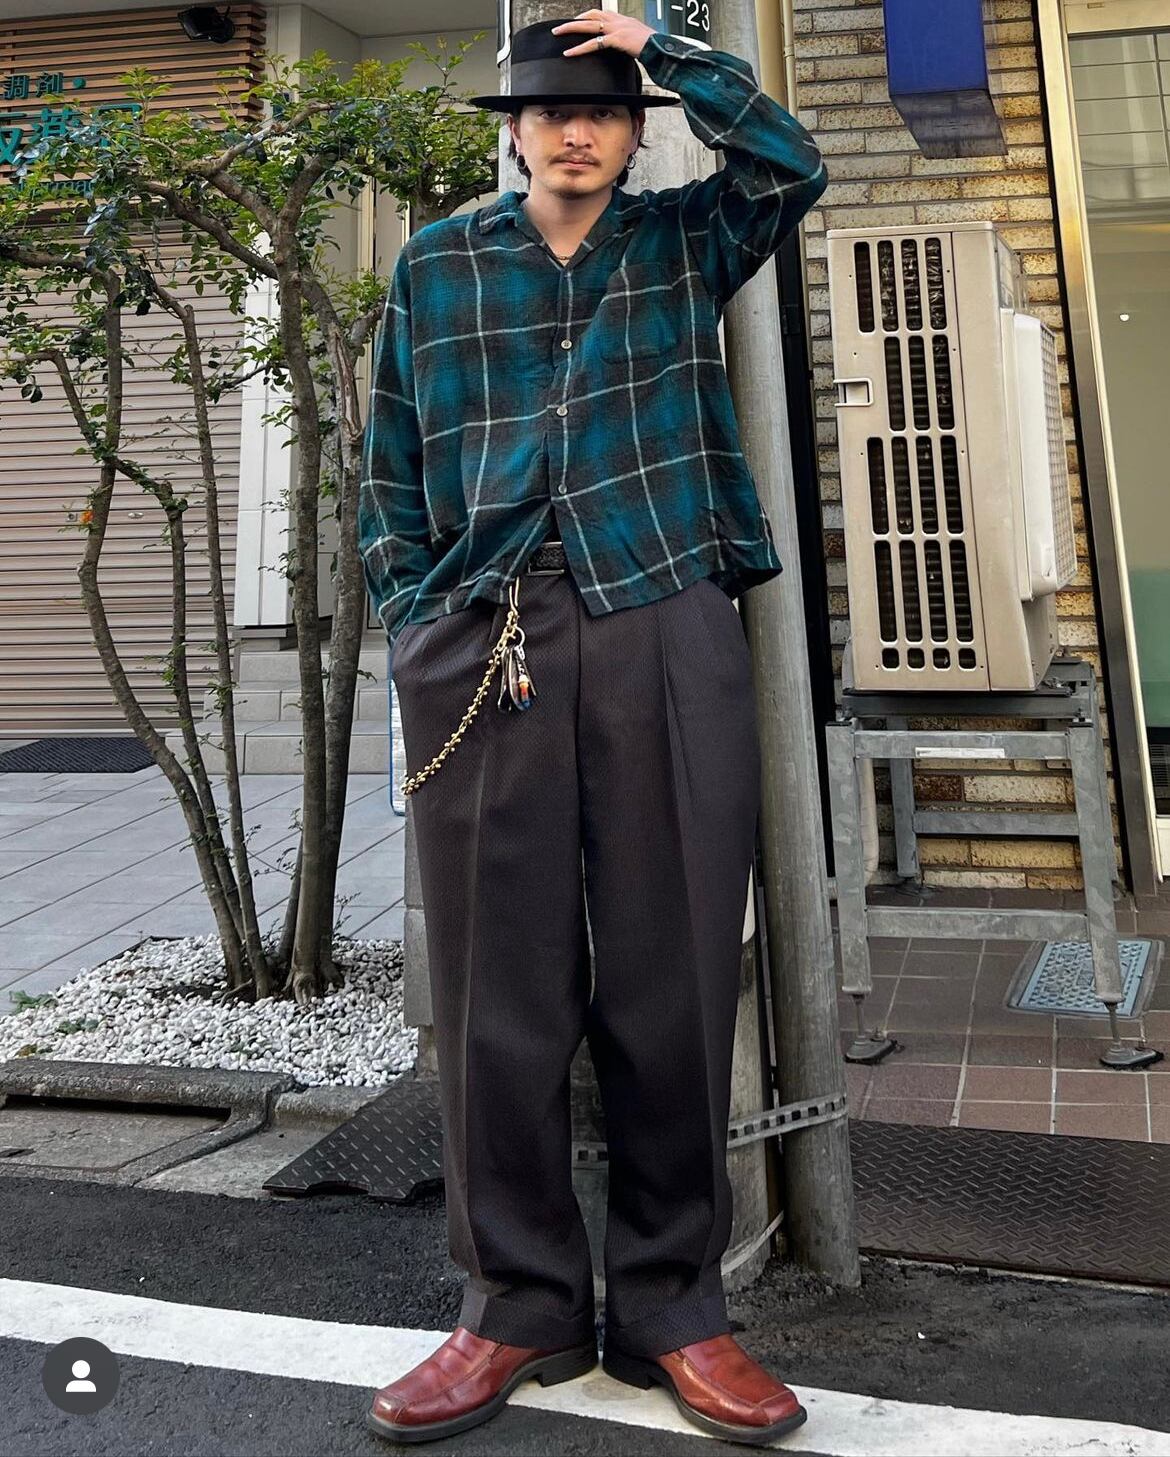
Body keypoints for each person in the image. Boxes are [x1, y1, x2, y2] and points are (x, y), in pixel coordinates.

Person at [358, 8, 827, 1446]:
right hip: (484, 634)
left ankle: (676, 1306)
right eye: (553, 110)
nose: (577, 129)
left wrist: (666, 44)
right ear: (513, 131)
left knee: (672, 972)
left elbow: (790, 162)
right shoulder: (439, 263)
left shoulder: (684, 240)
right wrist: (417, 617)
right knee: (494, 985)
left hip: (661, 617)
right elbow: (388, 457)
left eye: (606, 111)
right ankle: (516, 1302)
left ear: (633, 136)